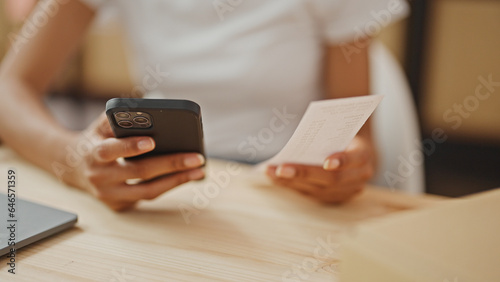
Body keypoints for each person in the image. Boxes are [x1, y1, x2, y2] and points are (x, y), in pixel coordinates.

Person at [0, 0, 410, 211]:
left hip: (290, 196)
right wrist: (70, 157)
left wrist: (348, 164)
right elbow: (8, 88)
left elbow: (359, 139)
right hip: (161, 193)